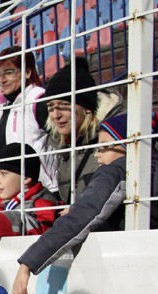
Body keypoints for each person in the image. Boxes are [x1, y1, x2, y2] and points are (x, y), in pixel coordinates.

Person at [12, 112, 158, 294]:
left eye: (104, 147)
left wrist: (28, 264)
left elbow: (83, 215)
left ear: (128, 145)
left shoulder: (117, 170)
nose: (97, 154)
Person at [42, 57, 125, 203]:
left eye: (64, 105)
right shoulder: (61, 142)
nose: (56, 115)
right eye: (50, 107)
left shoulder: (117, 135)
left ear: (87, 108)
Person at [0, 46, 57, 192]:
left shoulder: (39, 99)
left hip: (41, 191)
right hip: (12, 191)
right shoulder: (4, 106)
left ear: (27, 72)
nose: (2, 80)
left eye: (9, 72)